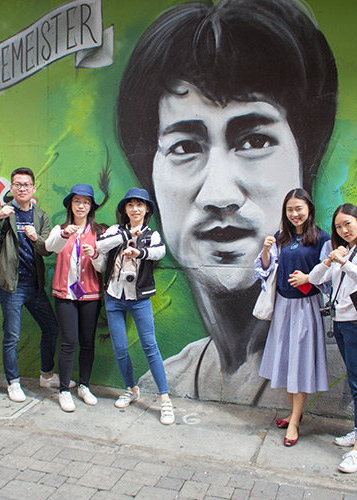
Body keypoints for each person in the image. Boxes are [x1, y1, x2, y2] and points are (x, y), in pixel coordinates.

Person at [116, 0, 338, 401]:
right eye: (184, 146)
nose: (219, 195)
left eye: (254, 141)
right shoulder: (167, 381)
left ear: (307, 156)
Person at [0, 167, 59, 402]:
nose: (22, 188)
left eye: (26, 185)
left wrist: (35, 238)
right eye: (18, 184)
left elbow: (46, 249)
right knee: (12, 336)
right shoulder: (3, 212)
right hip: (12, 286)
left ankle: (47, 374)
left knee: (51, 328)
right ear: (11, 188)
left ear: (33, 188)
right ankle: (13, 383)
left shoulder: (41, 216)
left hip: (35, 285)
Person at [254, 189, 331, 447]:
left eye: (299, 208)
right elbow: (265, 270)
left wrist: (308, 278)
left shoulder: (321, 238)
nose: (294, 214)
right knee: (287, 361)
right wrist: (266, 250)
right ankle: (294, 413)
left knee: (300, 362)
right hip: (284, 306)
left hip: (306, 306)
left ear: (309, 208)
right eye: (290, 209)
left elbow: (329, 273)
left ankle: (295, 421)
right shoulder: (281, 237)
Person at [92, 188, 175, 425]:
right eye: (130, 205)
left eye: (140, 205)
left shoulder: (153, 234)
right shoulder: (114, 232)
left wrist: (139, 250)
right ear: (125, 209)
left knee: (150, 345)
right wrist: (125, 236)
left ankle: (164, 399)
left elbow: (160, 252)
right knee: (119, 347)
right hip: (113, 297)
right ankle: (131, 388)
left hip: (139, 299)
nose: (135, 209)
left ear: (147, 209)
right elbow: (101, 247)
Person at [309, 204, 357, 473]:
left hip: (355, 326)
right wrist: (329, 260)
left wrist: (344, 263)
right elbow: (316, 278)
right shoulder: (344, 251)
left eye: (348, 224)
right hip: (340, 323)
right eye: (339, 226)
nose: (344, 230)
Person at [45, 184, 103, 412]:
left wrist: (95, 255)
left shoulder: (99, 232)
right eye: (77, 201)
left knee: (87, 342)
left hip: (91, 295)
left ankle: (84, 386)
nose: (81, 206)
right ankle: (63, 390)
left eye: (86, 202)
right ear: (70, 204)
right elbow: (51, 248)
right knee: (69, 342)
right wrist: (63, 234)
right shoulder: (60, 229)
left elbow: (103, 265)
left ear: (91, 207)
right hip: (65, 295)